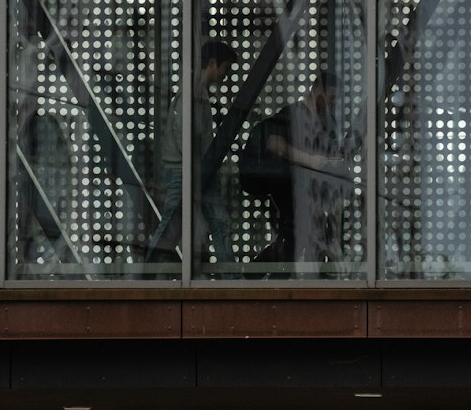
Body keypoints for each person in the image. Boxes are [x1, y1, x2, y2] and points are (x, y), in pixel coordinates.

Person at [246, 71, 355, 269]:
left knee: (299, 239)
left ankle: (259, 273)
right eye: (331, 99)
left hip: (312, 193)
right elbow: (274, 143)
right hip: (292, 189)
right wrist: (312, 160)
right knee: (297, 238)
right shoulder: (293, 113)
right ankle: (257, 273)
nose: (333, 105)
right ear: (317, 93)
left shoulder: (326, 122)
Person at [147, 38, 238, 267]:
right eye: (226, 68)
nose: (226, 75)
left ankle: (149, 275)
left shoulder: (198, 94)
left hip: (193, 168)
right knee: (176, 225)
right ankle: (147, 276)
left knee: (204, 224)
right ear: (212, 63)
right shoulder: (193, 95)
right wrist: (194, 168)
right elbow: (184, 137)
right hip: (188, 169)